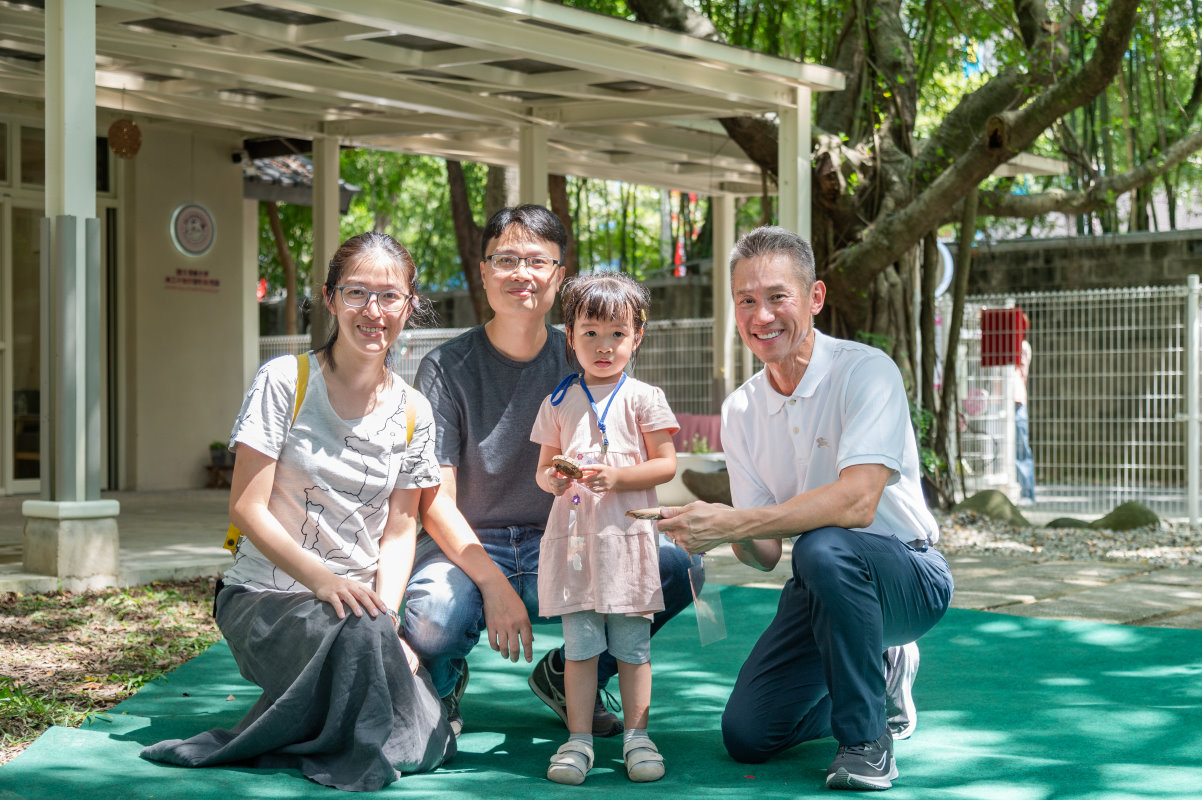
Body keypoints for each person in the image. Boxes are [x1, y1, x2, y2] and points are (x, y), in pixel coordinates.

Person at [140, 233, 456, 791]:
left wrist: (385, 614)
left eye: (390, 296)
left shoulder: (415, 410)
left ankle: (330, 702)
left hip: (359, 610)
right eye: (357, 292)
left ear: (410, 305)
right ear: (331, 299)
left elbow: (403, 527)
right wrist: (326, 581)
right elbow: (246, 506)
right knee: (387, 701)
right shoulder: (285, 381)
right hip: (265, 602)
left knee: (427, 741)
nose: (373, 311)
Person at [659, 226, 954, 792]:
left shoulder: (866, 371)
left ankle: (867, 743)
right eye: (746, 300)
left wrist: (735, 521)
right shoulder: (741, 408)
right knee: (748, 734)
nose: (761, 315)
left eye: (777, 297)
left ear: (814, 298)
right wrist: (708, 531)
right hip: (823, 583)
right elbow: (766, 554)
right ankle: (877, 679)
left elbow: (859, 501)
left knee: (823, 544)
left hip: (909, 575)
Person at [406, 204, 700, 739]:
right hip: (474, 546)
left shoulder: (587, 353)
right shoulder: (445, 368)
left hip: (568, 536)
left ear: (560, 276)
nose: (522, 273)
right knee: (433, 618)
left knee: (677, 566)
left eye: (537, 261)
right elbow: (436, 501)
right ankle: (443, 681)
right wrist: (493, 586)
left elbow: (640, 457)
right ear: (484, 271)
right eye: (506, 259)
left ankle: (568, 676)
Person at [532, 273, 678, 785]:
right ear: (569, 335)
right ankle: (578, 740)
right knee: (580, 648)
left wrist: (618, 477)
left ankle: (638, 737)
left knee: (634, 648)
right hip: (575, 547)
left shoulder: (644, 396)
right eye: (590, 332)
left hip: (629, 546)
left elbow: (666, 464)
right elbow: (543, 469)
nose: (603, 345)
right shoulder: (558, 400)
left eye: (617, 333)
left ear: (637, 335)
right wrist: (553, 477)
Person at [1015, 337, 1035, 505]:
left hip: (1016, 402)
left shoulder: (1022, 346)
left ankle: (1027, 493)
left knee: (1021, 450)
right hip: (999, 402)